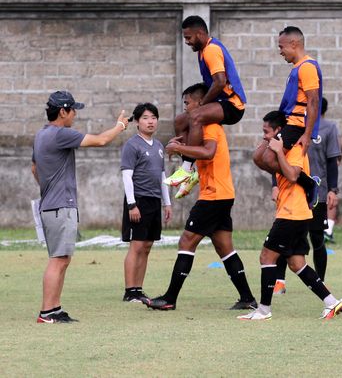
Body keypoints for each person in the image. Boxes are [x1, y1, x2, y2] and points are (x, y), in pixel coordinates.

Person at [146, 84, 256, 311]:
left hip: (214, 196)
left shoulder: (211, 126)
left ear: (200, 103)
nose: (185, 108)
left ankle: (170, 298)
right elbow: (200, 150)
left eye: (187, 103)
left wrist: (180, 150)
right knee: (224, 247)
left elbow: (208, 152)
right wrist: (182, 146)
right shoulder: (201, 126)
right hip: (221, 194)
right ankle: (247, 298)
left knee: (186, 241)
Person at [32, 91, 129, 323]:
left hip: (51, 205)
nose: (75, 114)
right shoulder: (59, 134)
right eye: (73, 110)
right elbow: (101, 140)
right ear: (63, 111)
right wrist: (120, 126)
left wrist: (48, 188)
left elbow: (35, 169)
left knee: (62, 258)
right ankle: (47, 312)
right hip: (60, 207)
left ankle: (54, 308)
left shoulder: (41, 134)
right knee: (59, 259)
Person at [238, 111, 342, 321]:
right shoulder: (280, 146)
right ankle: (331, 302)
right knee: (296, 263)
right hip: (293, 212)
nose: (264, 135)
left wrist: (277, 150)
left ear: (280, 131)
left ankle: (264, 310)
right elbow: (259, 159)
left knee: (266, 256)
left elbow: (293, 175)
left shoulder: (296, 148)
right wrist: (268, 141)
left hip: (292, 213)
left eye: (267, 131)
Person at [164, 15, 247, 199]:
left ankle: (185, 168)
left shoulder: (211, 50)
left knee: (195, 116)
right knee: (180, 120)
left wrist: (201, 104)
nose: (186, 42)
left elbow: (219, 82)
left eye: (188, 38)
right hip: (221, 102)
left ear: (200, 33)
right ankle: (191, 171)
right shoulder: (203, 51)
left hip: (233, 105)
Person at [273, 97, 341, 293]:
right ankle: (279, 281)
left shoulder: (327, 128)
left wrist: (332, 189)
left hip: (316, 192)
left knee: (317, 237)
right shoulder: (291, 127)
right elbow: (276, 157)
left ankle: (320, 280)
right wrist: (274, 184)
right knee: (283, 237)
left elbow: (331, 161)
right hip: (290, 190)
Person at [254, 26, 321, 206]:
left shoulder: (307, 67)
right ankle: (301, 182)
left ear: (294, 43)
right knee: (258, 157)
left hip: (297, 125)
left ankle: (308, 184)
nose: (280, 52)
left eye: (281, 47)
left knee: (268, 157)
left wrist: (307, 134)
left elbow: (313, 101)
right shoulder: (297, 68)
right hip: (288, 123)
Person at [120, 103, 172, 304]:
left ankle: (139, 289)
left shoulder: (159, 146)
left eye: (153, 117)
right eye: (145, 118)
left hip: (154, 201)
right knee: (137, 245)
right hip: (138, 200)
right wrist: (132, 205)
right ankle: (129, 291)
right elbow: (127, 176)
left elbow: (161, 176)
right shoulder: (132, 145)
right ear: (137, 122)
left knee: (148, 245)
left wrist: (166, 203)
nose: (150, 121)